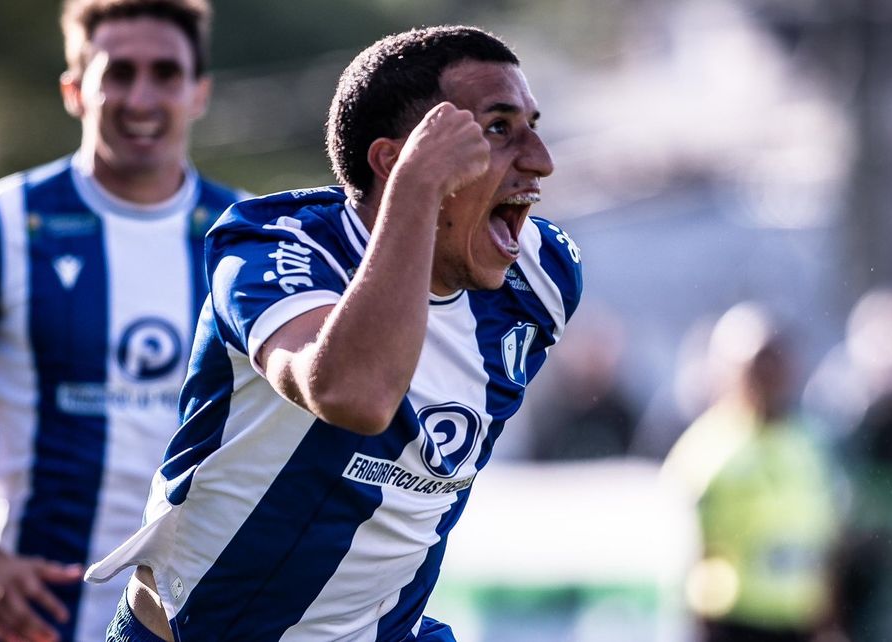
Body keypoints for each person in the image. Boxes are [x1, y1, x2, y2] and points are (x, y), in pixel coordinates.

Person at [85, 24, 583, 642]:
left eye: (532, 125)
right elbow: (354, 394)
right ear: (393, 161)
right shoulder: (275, 245)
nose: (540, 160)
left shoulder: (543, 278)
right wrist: (419, 189)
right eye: (497, 129)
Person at [0, 1, 246, 640]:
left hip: (199, 621)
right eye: (117, 72)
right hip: (36, 620)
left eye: (165, 74)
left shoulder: (247, 239)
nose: (141, 97)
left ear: (198, 92)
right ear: (75, 90)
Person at [662, 302, 840, 642]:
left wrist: (827, 618)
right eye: (759, 364)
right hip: (733, 623)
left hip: (796, 622)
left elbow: (824, 538)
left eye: (777, 363)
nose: (770, 376)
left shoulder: (807, 446)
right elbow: (682, 549)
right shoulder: (705, 449)